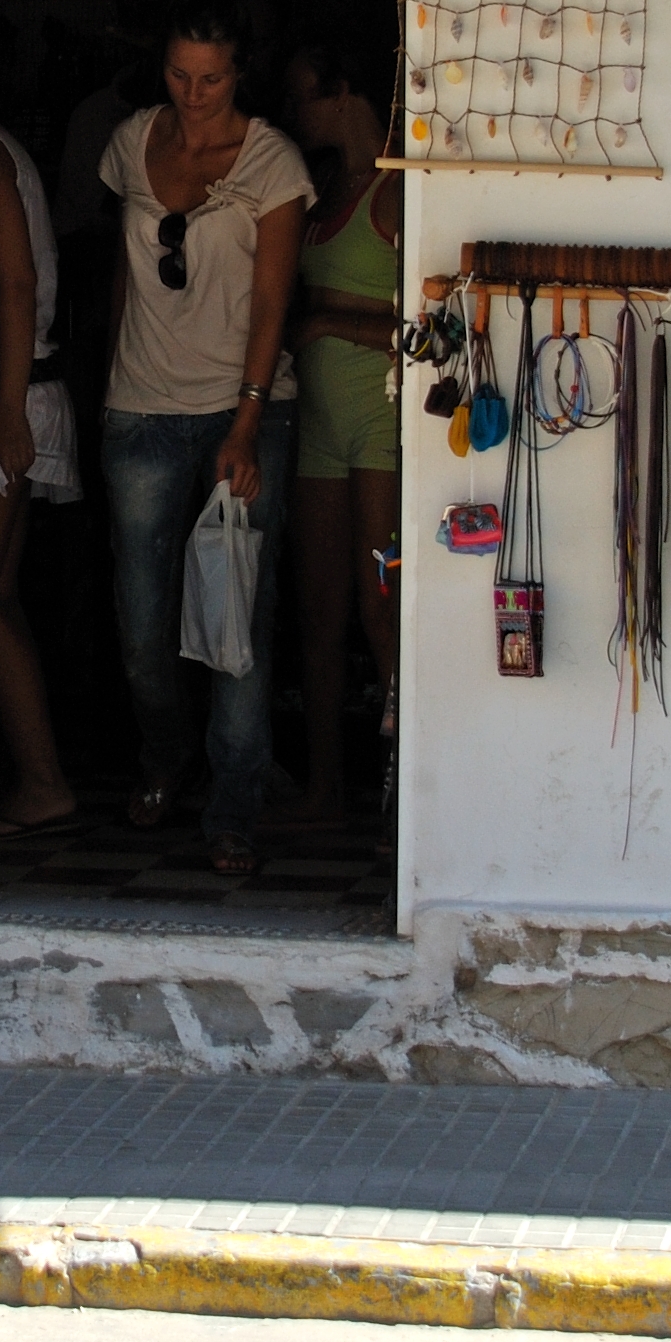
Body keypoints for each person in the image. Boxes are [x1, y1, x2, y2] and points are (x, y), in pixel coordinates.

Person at [100, 0, 308, 874]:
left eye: (212, 78)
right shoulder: (130, 143)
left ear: (240, 74)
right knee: (142, 628)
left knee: (237, 623)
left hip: (242, 413)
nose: (195, 94)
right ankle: (164, 758)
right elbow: (121, 276)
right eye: (181, 75)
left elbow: (272, 302)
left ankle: (234, 803)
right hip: (138, 407)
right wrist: (97, 384)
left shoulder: (273, 164)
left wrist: (249, 422)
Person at [281, 42, 403, 827]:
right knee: (318, 612)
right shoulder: (326, 189)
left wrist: (324, 317)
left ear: (342, 90)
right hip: (321, 426)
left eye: (303, 96)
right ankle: (326, 787)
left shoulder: (396, 192)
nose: (293, 113)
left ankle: (402, 794)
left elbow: (425, 326)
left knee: (380, 610)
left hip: (380, 426)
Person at [0, 108, 82, 830]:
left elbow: (16, 283)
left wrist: (6, 413)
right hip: (10, 391)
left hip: (6, 396)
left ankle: (42, 781)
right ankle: (39, 779)